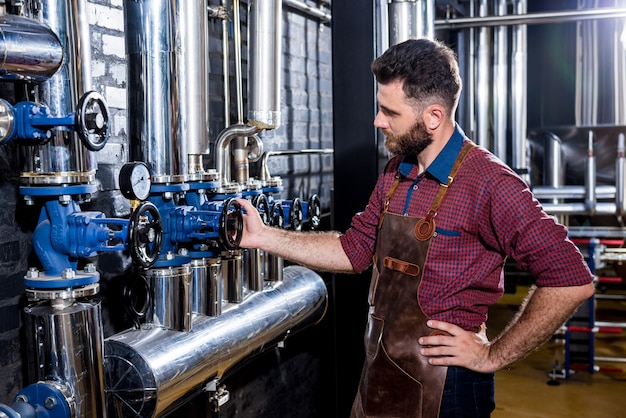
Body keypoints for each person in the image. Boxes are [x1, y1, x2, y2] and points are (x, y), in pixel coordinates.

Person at [236, 38, 595, 418]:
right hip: (381, 369)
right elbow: (354, 251)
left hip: (448, 387)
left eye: (389, 112)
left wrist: (492, 355)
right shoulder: (396, 172)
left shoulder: (489, 182)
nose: (378, 121)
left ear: (433, 117)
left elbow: (571, 280)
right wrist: (263, 237)